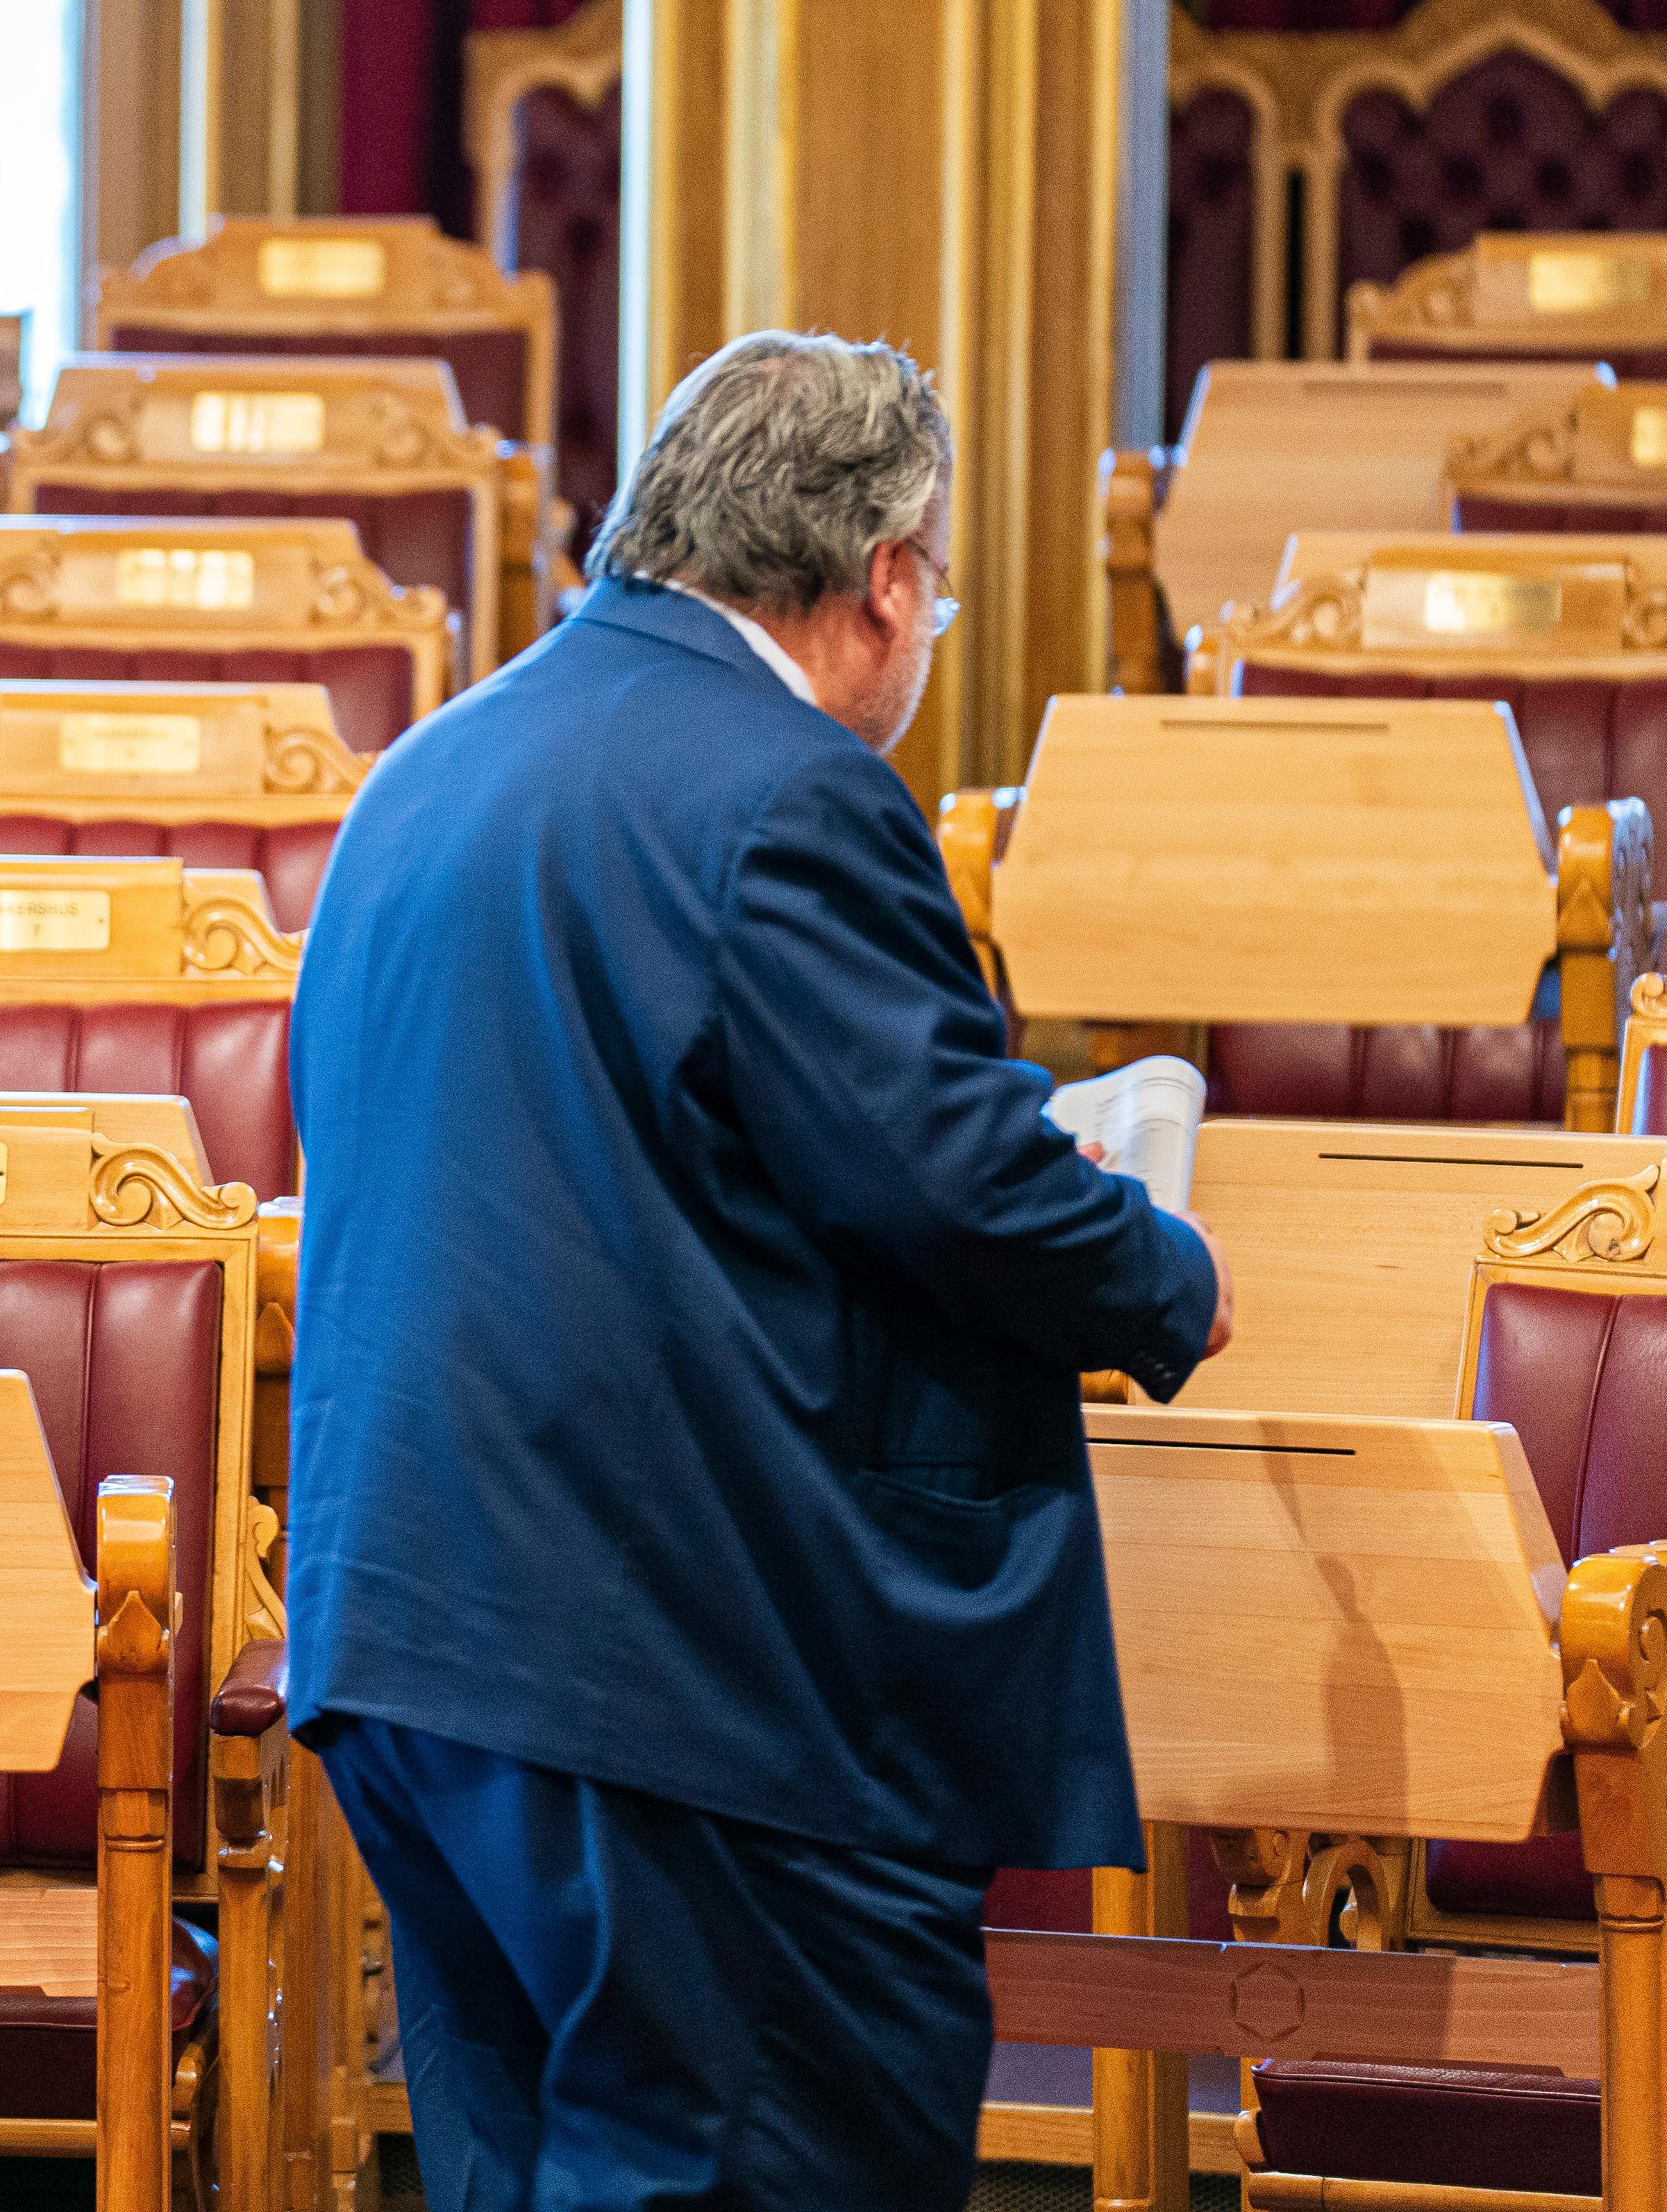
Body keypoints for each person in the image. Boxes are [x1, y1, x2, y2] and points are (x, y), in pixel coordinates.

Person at [282, 331, 1233, 2212]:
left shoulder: (427, 768)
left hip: (413, 1635)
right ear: (885, 579)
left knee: (524, 2168)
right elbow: (959, 1178)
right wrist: (1167, 1273)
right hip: (683, 1683)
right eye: (938, 583)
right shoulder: (786, 792)